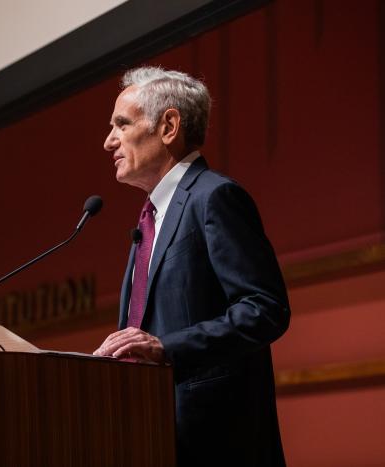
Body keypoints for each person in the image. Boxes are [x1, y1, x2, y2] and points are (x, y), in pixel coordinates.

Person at [93, 66, 290, 466]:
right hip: (150, 434)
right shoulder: (149, 218)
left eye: (121, 124)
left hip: (215, 442)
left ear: (168, 126)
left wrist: (168, 348)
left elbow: (265, 309)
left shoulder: (214, 197)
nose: (108, 141)